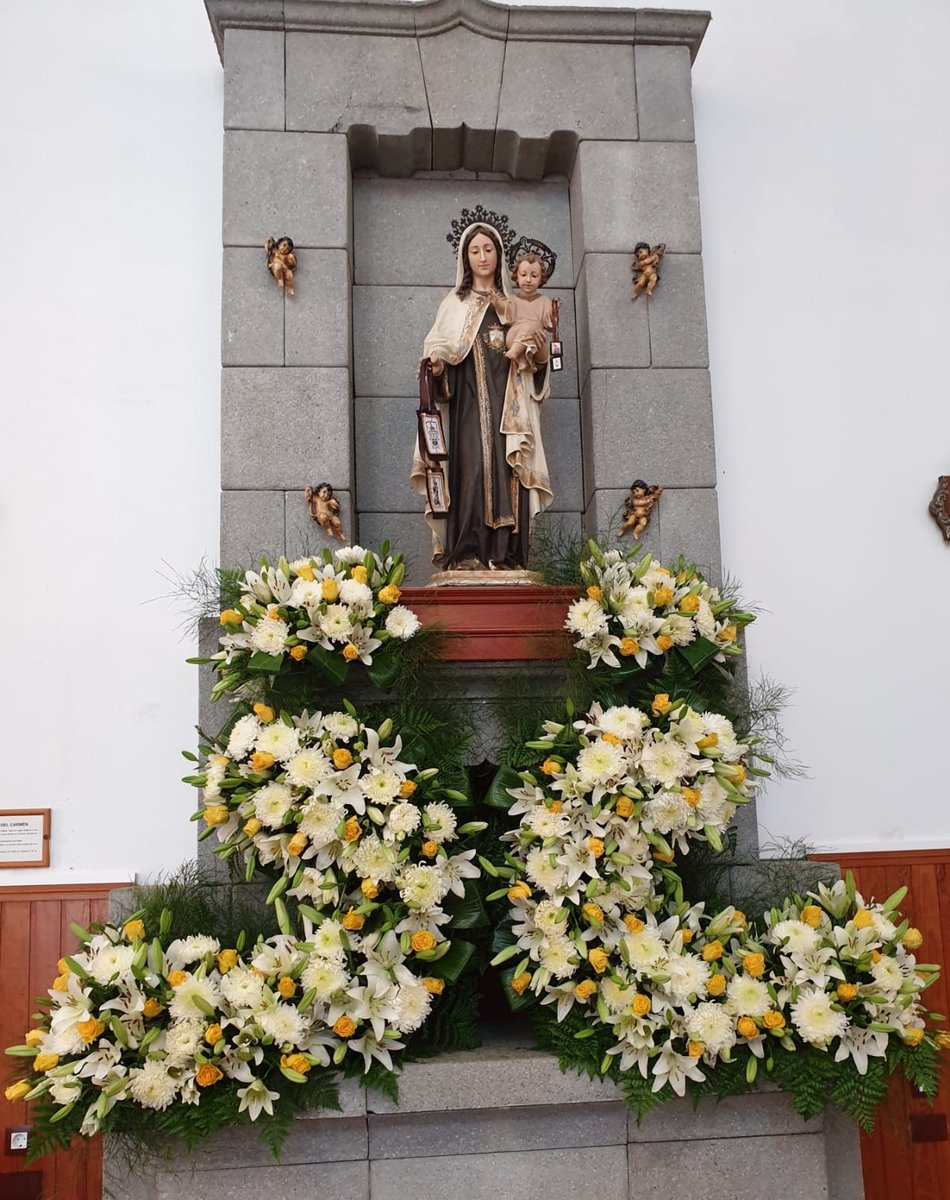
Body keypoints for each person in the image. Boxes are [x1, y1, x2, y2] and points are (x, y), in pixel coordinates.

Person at [410, 222, 552, 572]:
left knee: (510, 471)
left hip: (510, 406)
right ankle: (467, 553)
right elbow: (439, 351)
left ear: (499, 255)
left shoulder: (515, 305)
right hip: (469, 407)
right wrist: (437, 367)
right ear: (465, 257)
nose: (483, 257)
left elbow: (537, 366)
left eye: (488, 249)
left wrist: (538, 354)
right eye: (475, 251)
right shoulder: (454, 304)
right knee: (472, 471)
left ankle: (508, 556)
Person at [503, 252, 558, 374]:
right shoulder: (512, 300)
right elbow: (507, 319)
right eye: (523, 275)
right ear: (516, 276)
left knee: (534, 326)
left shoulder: (545, 301)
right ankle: (517, 353)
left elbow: (549, 325)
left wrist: (554, 312)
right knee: (532, 325)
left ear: (541, 278)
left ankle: (522, 360)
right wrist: (497, 303)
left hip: (535, 341)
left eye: (534, 276)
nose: (528, 280)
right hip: (513, 338)